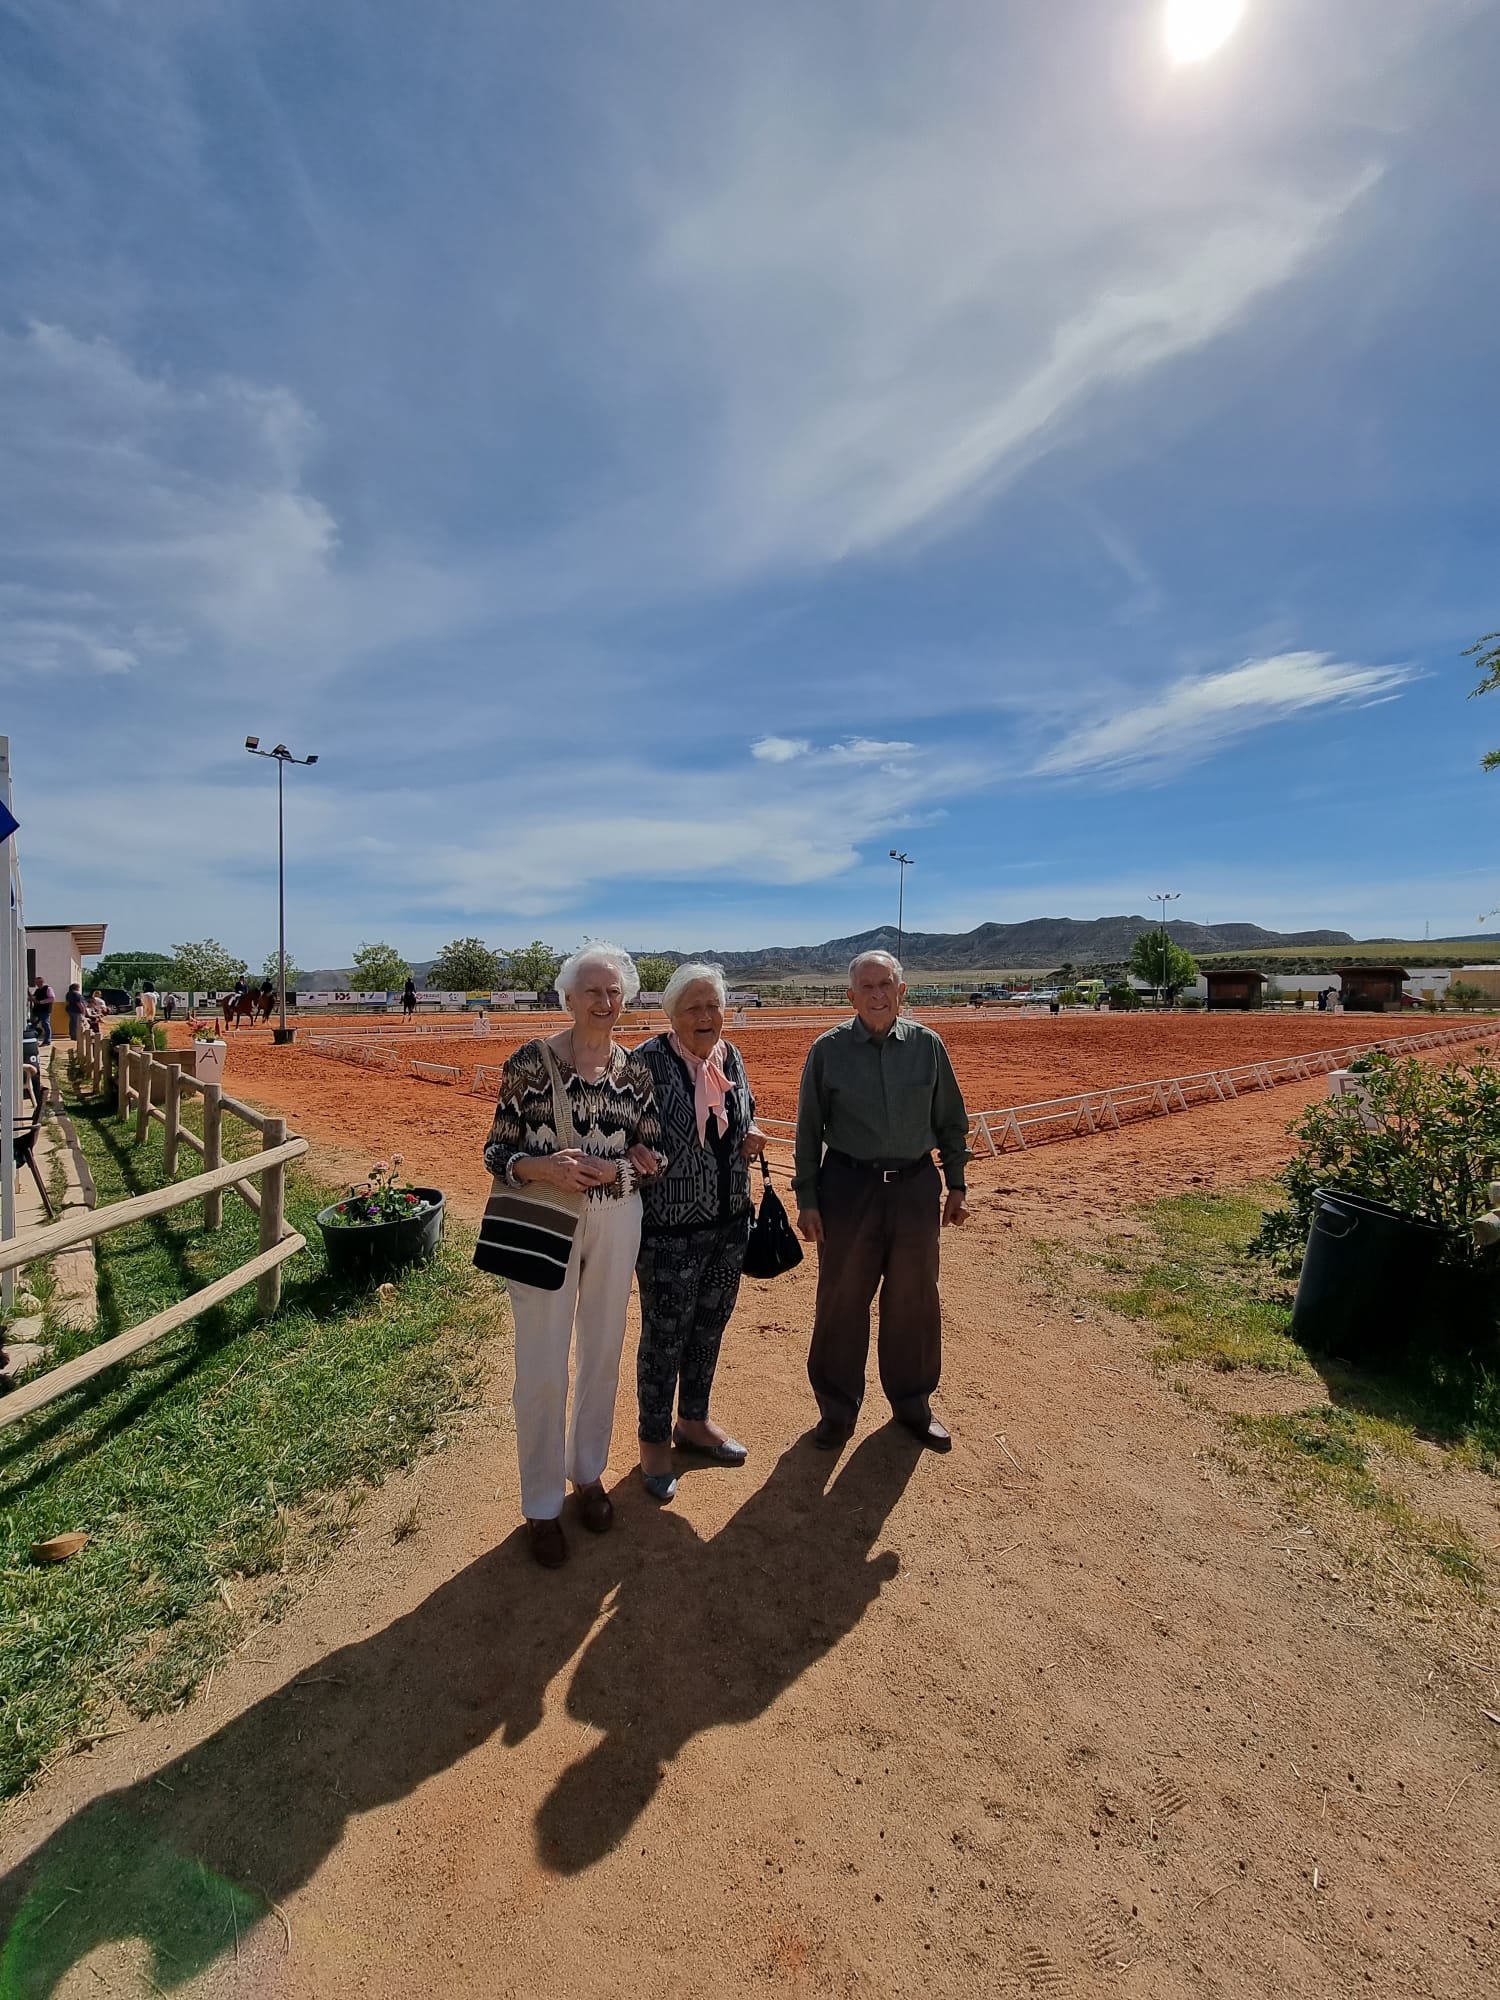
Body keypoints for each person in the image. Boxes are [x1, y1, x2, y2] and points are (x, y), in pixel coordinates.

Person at [482, 943, 663, 1568]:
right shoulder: (529, 1065)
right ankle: (540, 1505)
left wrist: (640, 1165)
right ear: (568, 998)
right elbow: (496, 1154)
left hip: (616, 1217)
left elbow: (652, 1149)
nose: (605, 1002)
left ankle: (588, 1473)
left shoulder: (636, 1072)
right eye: (593, 991)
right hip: (543, 1215)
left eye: (614, 991)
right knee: (540, 1361)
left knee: (603, 1349)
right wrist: (545, 1166)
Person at [794, 950, 970, 1454]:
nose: (876, 994)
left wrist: (956, 1183)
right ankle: (836, 1407)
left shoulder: (928, 1046)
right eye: (866, 986)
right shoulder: (827, 1051)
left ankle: (913, 1404)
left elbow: (951, 1119)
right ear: (850, 997)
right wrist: (808, 1199)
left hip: (915, 1187)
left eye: (885, 984)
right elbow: (808, 1130)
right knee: (841, 1298)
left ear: (902, 991)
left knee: (914, 1298)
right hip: (849, 1188)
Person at [632, 962, 767, 1502]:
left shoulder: (729, 1056)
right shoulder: (642, 1063)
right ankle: (652, 1442)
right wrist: (631, 1150)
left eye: (714, 1005)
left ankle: (693, 1421)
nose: (707, 1016)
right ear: (672, 1014)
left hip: (730, 1219)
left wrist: (752, 1128)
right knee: (665, 1337)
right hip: (668, 1230)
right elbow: (617, 1133)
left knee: (709, 1327)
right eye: (694, 1007)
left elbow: (745, 1109)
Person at [31, 976, 54, 1046]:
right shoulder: (37, 990)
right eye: (36, 982)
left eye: (39, 982)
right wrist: (31, 998)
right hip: (37, 1010)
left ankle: (47, 1040)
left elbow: (52, 998)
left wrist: (40, 1002)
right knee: (33, 1025)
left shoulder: (48, 989)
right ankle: (34, 1040)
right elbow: (34, 997)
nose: (37, 984)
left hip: (45, 1010)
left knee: (45, 1024)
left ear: (42, 982)